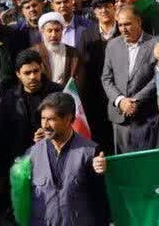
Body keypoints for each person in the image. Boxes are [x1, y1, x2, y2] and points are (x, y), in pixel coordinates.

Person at [30, 93, 110, 226]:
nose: (45, 125)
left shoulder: (90, 152)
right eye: (43, 118)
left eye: (51, 119)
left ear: (68, 119)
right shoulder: (32, 153)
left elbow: (100, 202)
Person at [101, 5, 157, 153]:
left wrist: (135, 101)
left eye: (127, 24)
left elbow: (158, 78)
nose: (123, 29)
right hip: (120, 118)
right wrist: (120, 101)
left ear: (139, 22)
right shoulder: (112, 45)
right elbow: (106, 78)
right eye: (120, 25)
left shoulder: (155, 44)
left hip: (147, 118)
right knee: (123, 167)